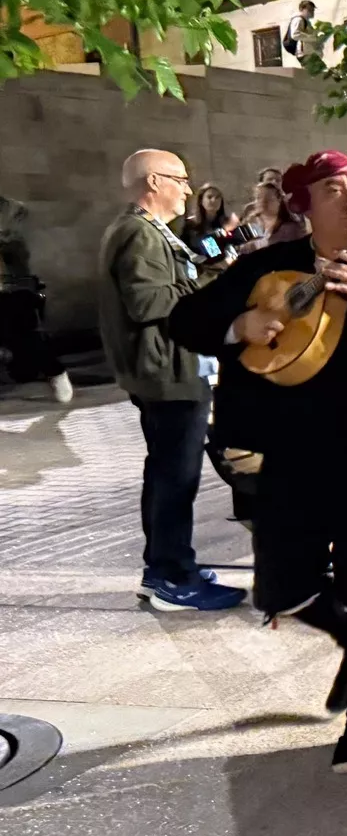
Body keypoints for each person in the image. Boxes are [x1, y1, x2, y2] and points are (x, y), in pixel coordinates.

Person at [168, 150, 347, 770]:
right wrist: (241, 322)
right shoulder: (272, 268)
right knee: (281, 588)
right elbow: (186, 318)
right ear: (305, 207)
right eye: (335, 190)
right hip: (295, 455)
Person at [99, 150, 244, 611]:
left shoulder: (150, 232)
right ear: (155, 181)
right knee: (176, 479)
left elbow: (175, 278)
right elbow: (147, 303)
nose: (187, 189)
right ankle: (172, 578)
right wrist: (214, 292)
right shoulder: (136, 234)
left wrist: (217, 254)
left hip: (171, 368)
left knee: (166, 473)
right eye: (180, 179)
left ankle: (163, 565)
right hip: (168, 371)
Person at [0, 193, 72, 402]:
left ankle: (56, 373)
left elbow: (13, 248)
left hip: (14, 291)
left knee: (27, 338)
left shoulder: (12, 225)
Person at [181, 183, 238, 254]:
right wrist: (223, 231)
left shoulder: (226, 222)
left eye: (217, 197)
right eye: (209, 197)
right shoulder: (191, 225)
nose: (214, 200)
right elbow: (211, 251)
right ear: (201, 201)